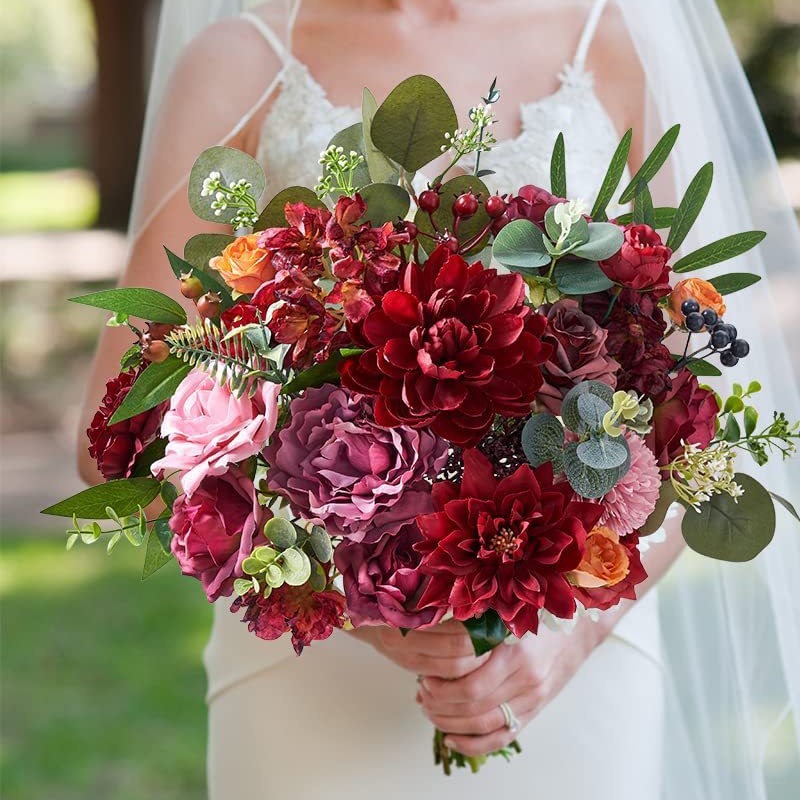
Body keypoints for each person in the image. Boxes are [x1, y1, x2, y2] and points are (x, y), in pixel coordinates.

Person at [77, 1, 800, 797]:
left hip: (563, 670)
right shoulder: (243, 56)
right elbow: (116, 432)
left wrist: (575, 637)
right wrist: (353, 602)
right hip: (311, 682)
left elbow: (686, 420)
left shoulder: (610, 41)